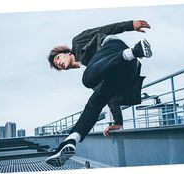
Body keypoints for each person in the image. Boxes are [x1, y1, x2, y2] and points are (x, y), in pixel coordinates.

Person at [46, 20, 152, 167]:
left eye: (58, 58)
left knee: (87, 80)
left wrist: (130, 25)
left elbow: (104, 29)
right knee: (94, 103)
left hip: (115, 48)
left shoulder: (77, 42)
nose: (59, 63)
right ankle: (71, 139)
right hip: (126, 70)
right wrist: (118, 122)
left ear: (68, 52)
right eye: (57, 65)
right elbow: (109, 98)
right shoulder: (93, 71)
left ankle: (134, 51)